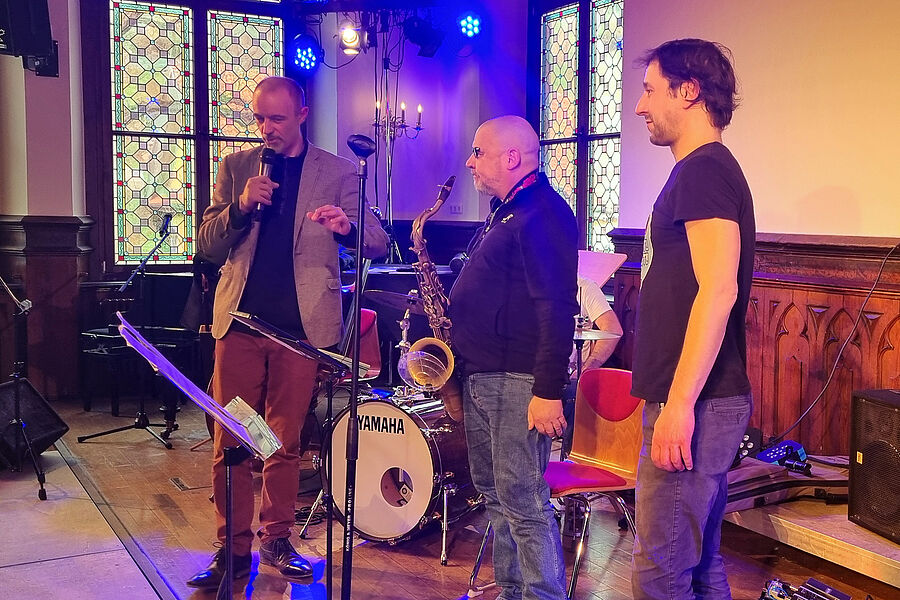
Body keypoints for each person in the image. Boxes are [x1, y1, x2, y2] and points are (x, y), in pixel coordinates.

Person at [188, 76, 389, 589]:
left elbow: (377, 242)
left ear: (302, 114)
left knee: (282, 440)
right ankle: (232, 549)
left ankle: (277, 538)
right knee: (232, 438)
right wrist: (240, 207)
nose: (266, 128)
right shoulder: (237, 167)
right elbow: (207, 244)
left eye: (276, 118)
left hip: (301, 330)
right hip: (239, 324)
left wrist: (346, 228)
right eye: (259, 118)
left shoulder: (338, 171)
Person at [630, 39, 755, 598]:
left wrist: (679, 405)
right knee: (699, 566)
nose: (640, 106)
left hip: (696, 402)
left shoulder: (704, 171)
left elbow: (719, 290)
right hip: (698, 398)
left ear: (688, 92)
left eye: (650, 90)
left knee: (660, 572)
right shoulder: (700, 171)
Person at [449, 115, 578, 600]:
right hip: (483, 375)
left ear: (511, 157)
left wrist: (546, 391)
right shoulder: (508, 210)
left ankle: (543, 595)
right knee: (495, 495)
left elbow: (556, 306)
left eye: (478, 151)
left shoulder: (542, 212)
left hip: (517, 380)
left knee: (523, 500)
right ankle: (511, 590)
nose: (470, 162)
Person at [561, 274, 623, 455]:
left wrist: (587, 368)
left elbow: (613, 330)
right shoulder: (526, 283)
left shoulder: (585, 288)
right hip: (532, 373)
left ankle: (572, 455)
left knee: (576, 391)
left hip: (571, 375)